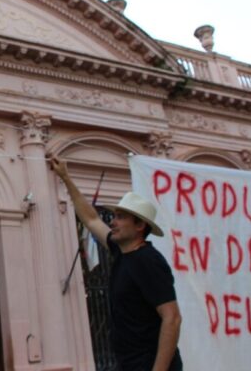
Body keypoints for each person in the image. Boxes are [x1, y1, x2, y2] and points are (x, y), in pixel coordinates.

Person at [49, 156, 182, 371]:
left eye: (120, 217)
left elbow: (172, 318)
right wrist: (65, 177)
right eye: (114, 216)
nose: (113, 221)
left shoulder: (149, 261)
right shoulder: (121, 252)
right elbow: (91, 219)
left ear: (139, 226)